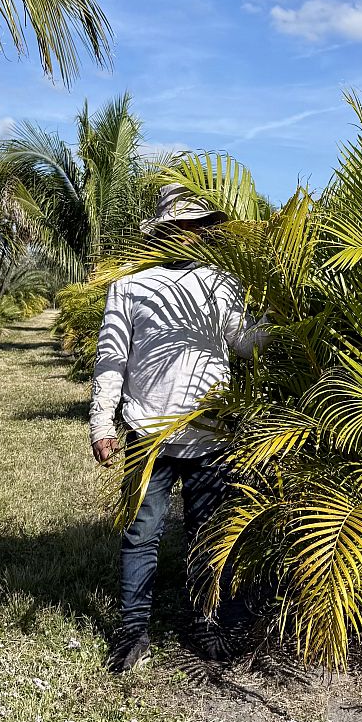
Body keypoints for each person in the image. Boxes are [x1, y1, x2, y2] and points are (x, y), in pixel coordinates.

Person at [89, 183, 268, 673]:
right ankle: (132, 632)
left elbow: (244, 343)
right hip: (147, 432)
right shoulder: (129, 288)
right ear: (163, 232)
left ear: (205, 233)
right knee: (141, 532)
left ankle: (204, 623)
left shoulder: (223, 285)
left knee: (208, 532)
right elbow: (111, 359)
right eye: (178, 227)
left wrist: (283, 323)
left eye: (197, 227)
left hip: (211, 434)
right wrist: (102, 421)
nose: (187, 236)